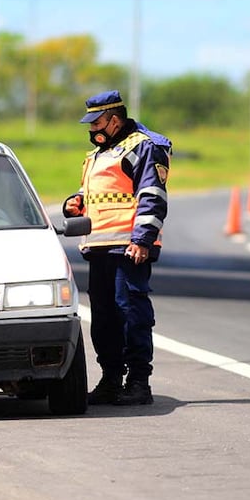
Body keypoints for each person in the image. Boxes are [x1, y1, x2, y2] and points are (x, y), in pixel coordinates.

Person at [63, 90, 171, 406]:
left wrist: (142, 240)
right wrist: (75, 203)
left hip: (128, 248)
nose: (91, 129)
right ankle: (110, 380)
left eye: (96, 122)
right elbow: (99, 195)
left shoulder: (144, 147)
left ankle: (138, 382)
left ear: (114, 119)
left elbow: (152, 196)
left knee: (131, 313)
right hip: (99, 249)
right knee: (104, 319)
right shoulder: (100, 153)